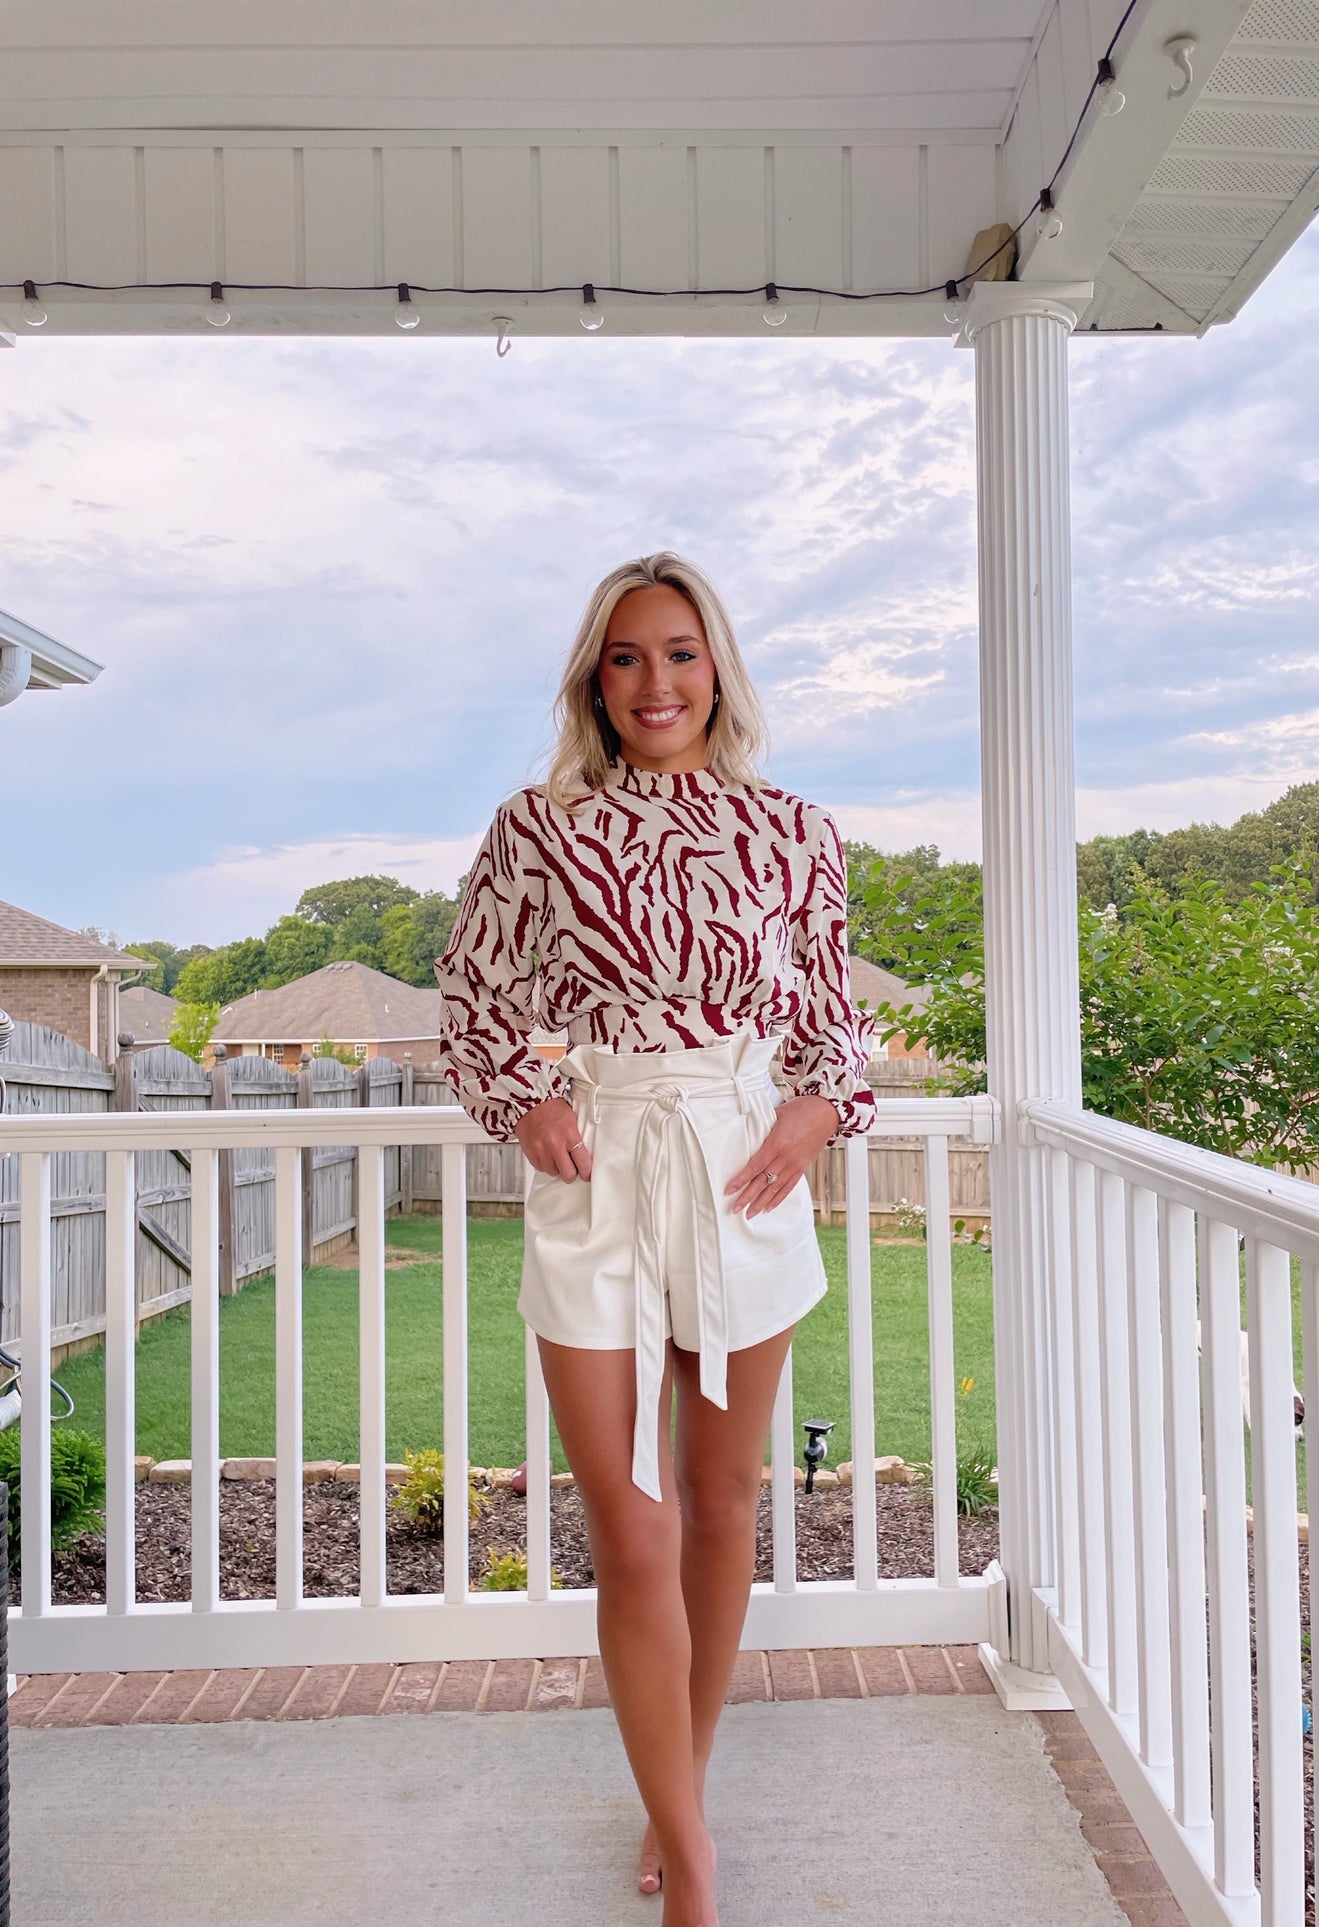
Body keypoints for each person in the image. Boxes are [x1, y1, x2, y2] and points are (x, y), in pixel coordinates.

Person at [435, 551, 876, 1927]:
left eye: (678, 653)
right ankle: (692, 1869)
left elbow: (828, 1010)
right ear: (593, 678)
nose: (654, 682)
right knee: (628, 1523)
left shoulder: (793, 829)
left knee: (722, 1501)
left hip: (742, 1162)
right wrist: (527, 1106)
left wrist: (808, 1118)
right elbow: (471, 988)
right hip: (603, 1161)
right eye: (625, 658)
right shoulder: (539, 827)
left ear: (717, 668)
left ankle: (674, 1793)